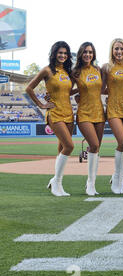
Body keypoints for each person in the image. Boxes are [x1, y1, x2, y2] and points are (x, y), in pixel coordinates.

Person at [25, 41, 75, 197]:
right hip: (54, 113)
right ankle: (56, 183)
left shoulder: (68, 72)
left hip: (69, 113)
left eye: (65, 53)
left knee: (61, 149)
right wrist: (41, 104)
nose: (63, 56)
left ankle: (56, 182)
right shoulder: (47, 70)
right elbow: (29, 88)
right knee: (69, 146)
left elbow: (66, 93)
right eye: (60, 53)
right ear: (54, 54)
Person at [101, 38, 123, 194]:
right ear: (112, 50)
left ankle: (119, 179)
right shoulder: (106, 68)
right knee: (122, 142)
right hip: (113, 108)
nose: (119, 51)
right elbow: (100, 88)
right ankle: (117, 179)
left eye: (121, 48)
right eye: (116, 49)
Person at [72, 42, 106, 196]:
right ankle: (89, 184)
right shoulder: (76, 72)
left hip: (99, 112)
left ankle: (92, 184)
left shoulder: (98, 70)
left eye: (90, 52)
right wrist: (76, 94)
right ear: (81, 54)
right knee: (93, 144)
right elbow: (67, 89)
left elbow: (102, 88)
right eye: (85, 52)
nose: (88, 55)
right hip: (84, 113)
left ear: (94, 54)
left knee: (96, 148)